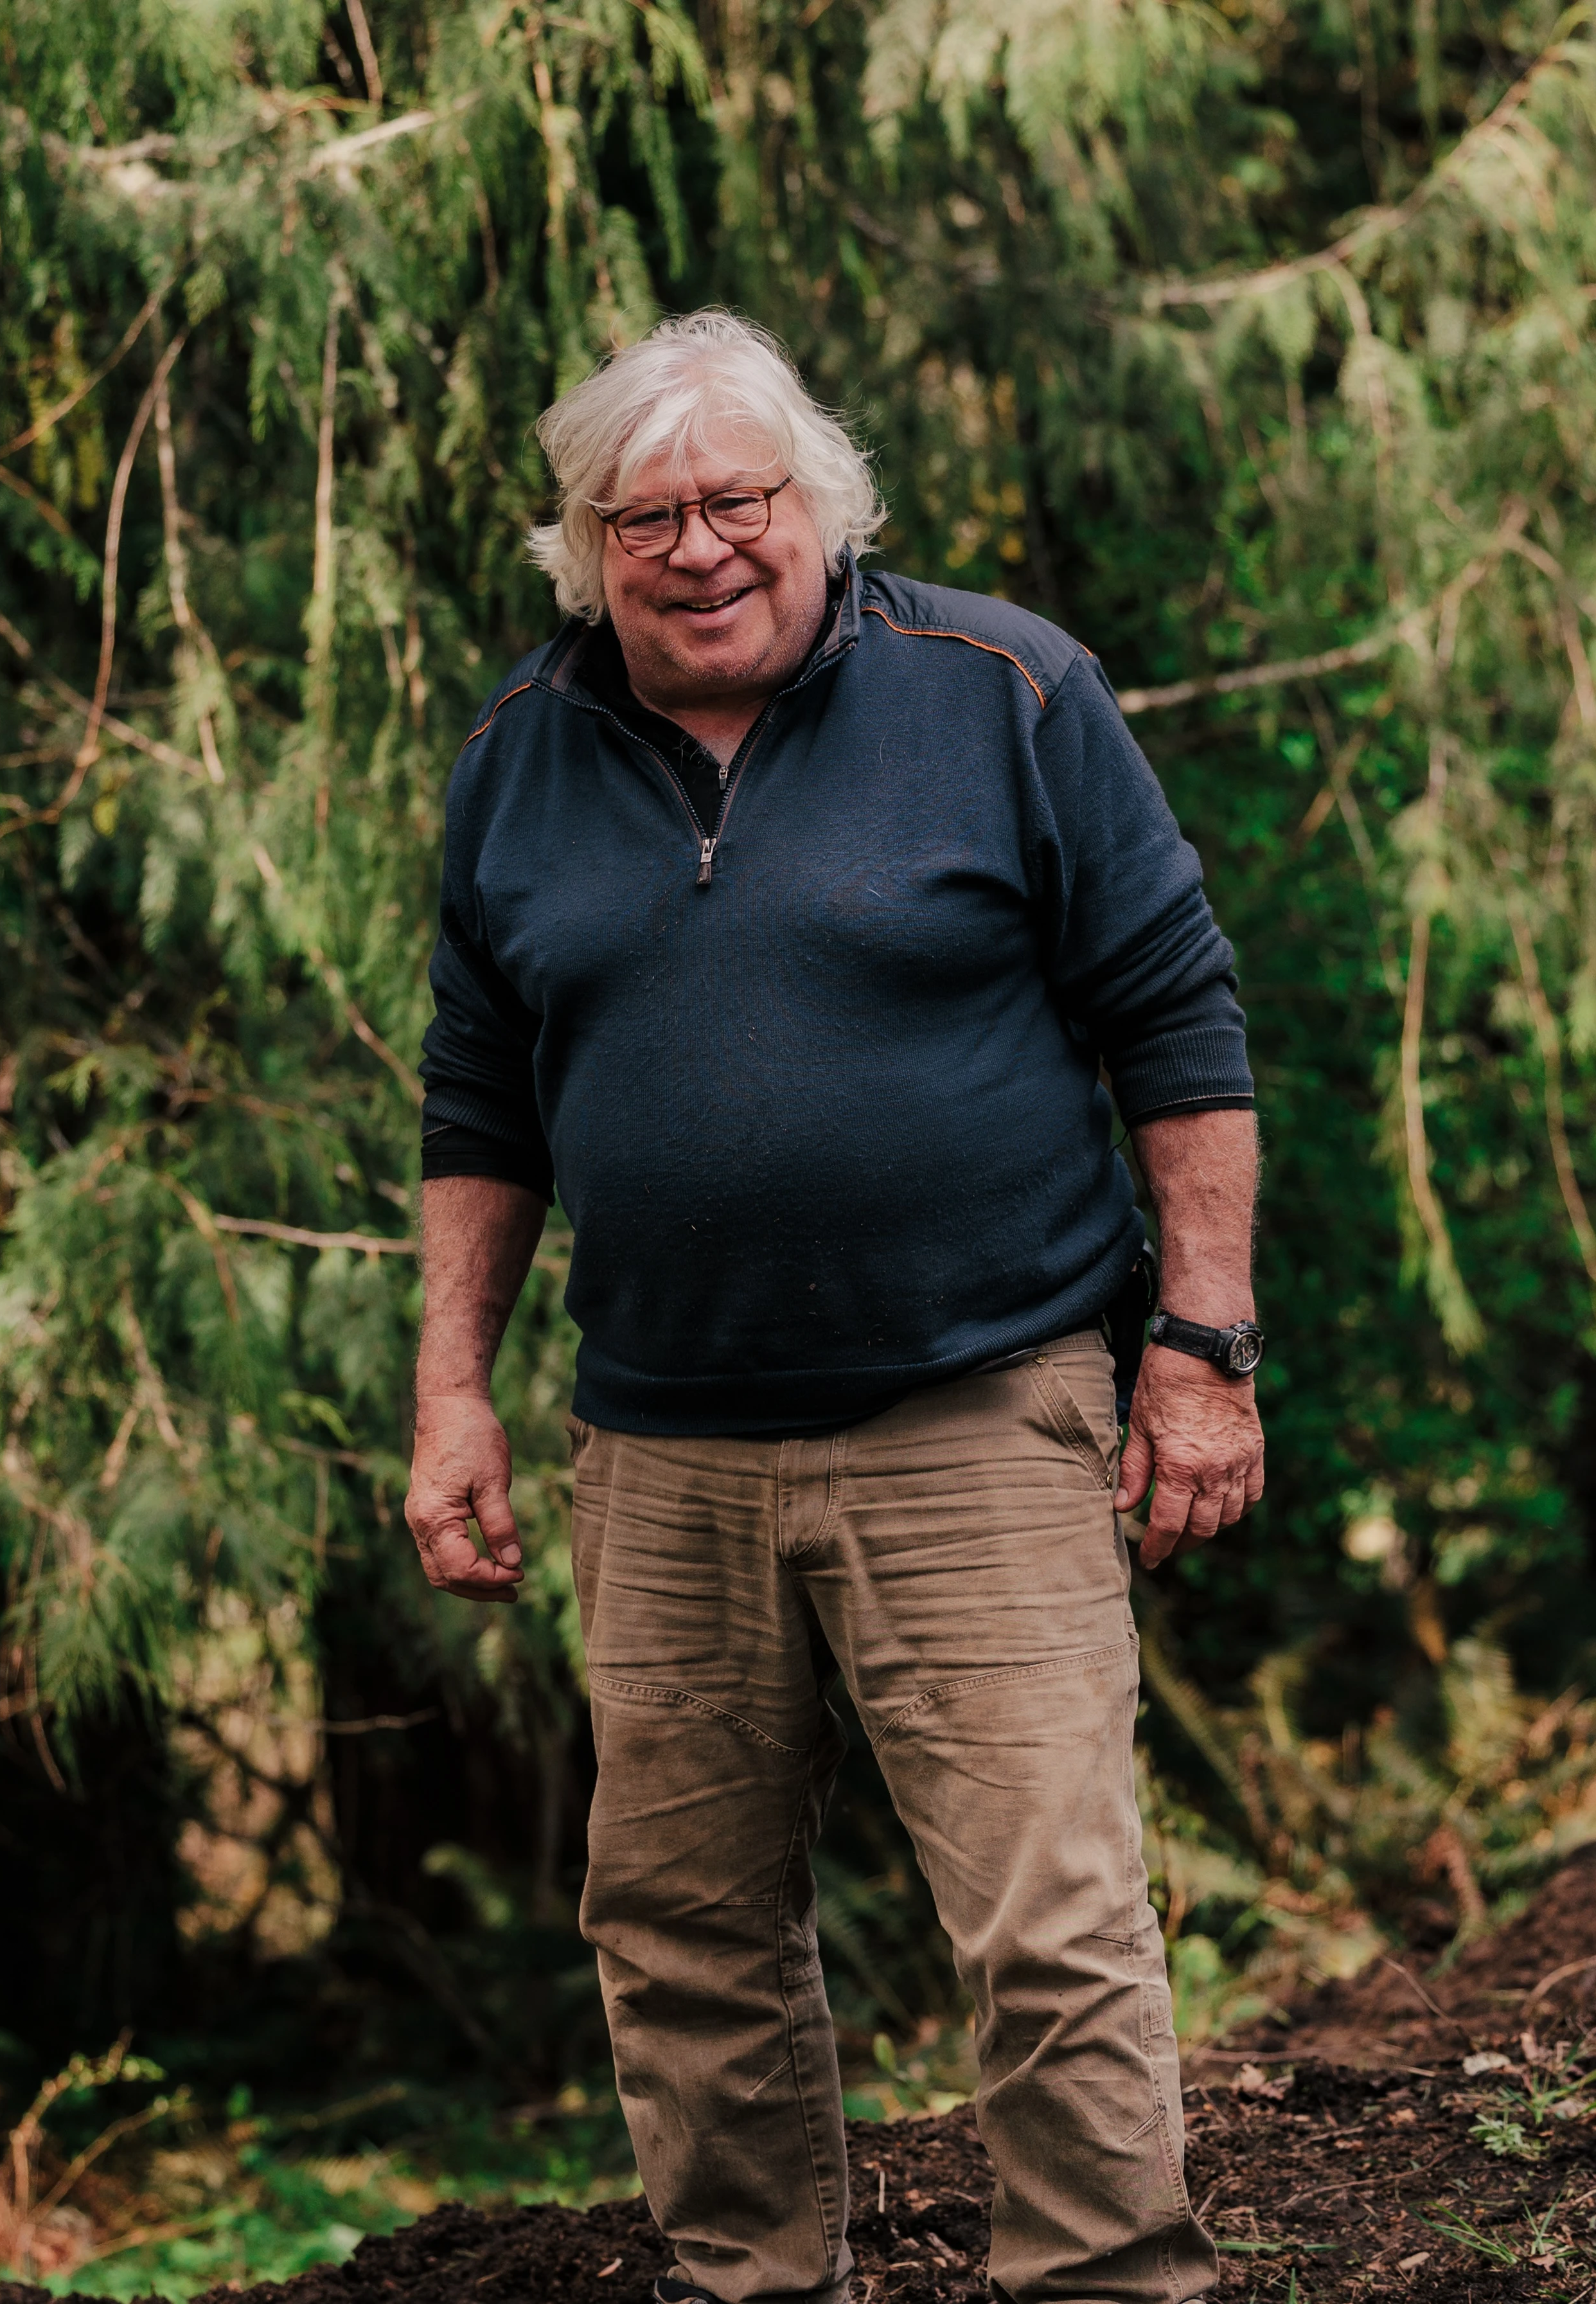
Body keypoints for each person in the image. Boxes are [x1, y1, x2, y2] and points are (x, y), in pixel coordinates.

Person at [408, 310, 1262, 2304]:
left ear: (827, 508)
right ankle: (758, 2285)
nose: (700, 546)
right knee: (682, 1933)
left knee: (1049, 1926)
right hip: (660, 1450)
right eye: (649, 516)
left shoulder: (1001, 690)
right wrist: (457, 1393)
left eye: (740, 501)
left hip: (982, 1410)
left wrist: (1203, 1349)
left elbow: (1177, 1018)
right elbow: (477, 1095)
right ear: (585, 546)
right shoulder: (515, 759)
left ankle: (1108, 2286)